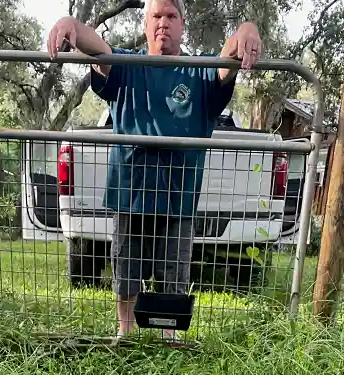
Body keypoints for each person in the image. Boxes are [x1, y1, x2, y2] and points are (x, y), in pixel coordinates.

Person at [47, 1, 262, 337]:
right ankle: (126, 333)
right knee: (126, 268)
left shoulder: (200, 72)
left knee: (175, 273)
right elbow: (96, 46)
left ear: (182, 24)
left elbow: (229, 57)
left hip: (179, 198)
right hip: (130, 194)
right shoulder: (128, 65)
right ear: (146, 24)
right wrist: (70, 24)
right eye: (156, 16)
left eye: (171, 16)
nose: (163, 23)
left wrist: (246, 29)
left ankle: (170, 337)